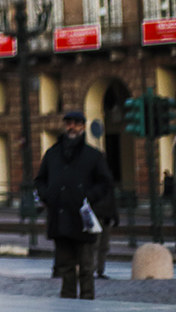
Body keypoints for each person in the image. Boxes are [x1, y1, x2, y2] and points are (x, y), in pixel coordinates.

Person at [34, 110, 113, 300]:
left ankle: (86, 303)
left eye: (76, 123)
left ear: (83, 127)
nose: (72, 127)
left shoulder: (93, 155)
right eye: (69, 123)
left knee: (86, 267)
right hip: (60, 217)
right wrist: (48, 196)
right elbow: (40, 180)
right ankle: (67, 304)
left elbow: (105, 182)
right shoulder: (52, 154)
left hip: (83, 219)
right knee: (65, 267)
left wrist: (88, 197)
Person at [92, 183, 119, 279]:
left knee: (103, 246)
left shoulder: (108, 185)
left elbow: (112, 201)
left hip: (106, 217)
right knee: (95, 245)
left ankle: (100, 270)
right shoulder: (94, 182)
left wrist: (115, 216)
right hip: (97, 216)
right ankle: (93, 269)